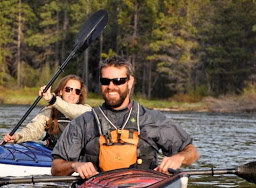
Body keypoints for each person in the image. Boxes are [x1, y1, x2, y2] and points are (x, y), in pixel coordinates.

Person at [51, 56, 199, 179]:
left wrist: (178, 158)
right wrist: (74, 165)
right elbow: (56, 167)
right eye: (105, 81)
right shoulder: (83, 122)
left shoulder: (152, 119)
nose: (111, 86)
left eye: (118, 81)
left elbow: (192, 151)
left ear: (130, 82)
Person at [2, 75, 91, 149]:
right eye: (69, 89)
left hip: (79, 158)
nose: (73, 93)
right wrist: (17, 137)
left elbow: (72, 111)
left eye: (77, 91)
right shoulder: (49, 111)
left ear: (79, 95)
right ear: (60, 91)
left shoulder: (86, 111)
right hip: (54, 154)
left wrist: (52, 99)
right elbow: (33, 130)